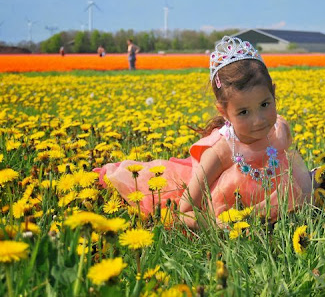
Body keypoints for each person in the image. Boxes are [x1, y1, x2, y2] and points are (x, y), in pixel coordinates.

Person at [96, 36, 313, 229]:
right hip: (225, 211)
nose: (259, 120)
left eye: (265, 104)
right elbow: (183, 210)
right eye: (244, 112)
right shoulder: (221, 152)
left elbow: (283, 142)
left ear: (273, 93)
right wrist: (216, 224)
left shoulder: (279, 130)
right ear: (224, 112)